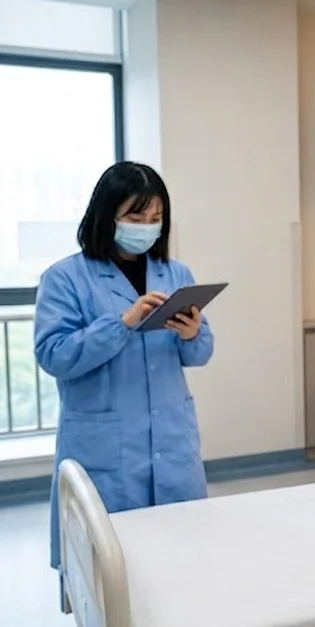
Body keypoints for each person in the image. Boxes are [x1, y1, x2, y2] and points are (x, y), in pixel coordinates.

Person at [35, 161, 214, 572]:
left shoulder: (175, 273)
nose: (147, 227)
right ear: (106, 215)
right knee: (108, 569)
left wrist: (192, 334)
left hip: (172, 442)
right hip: (105, 448)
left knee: (181, 563)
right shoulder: (65, 278)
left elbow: (199, 355)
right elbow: (54, 355)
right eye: (136, 217)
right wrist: (122, 323)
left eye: (156, 218)